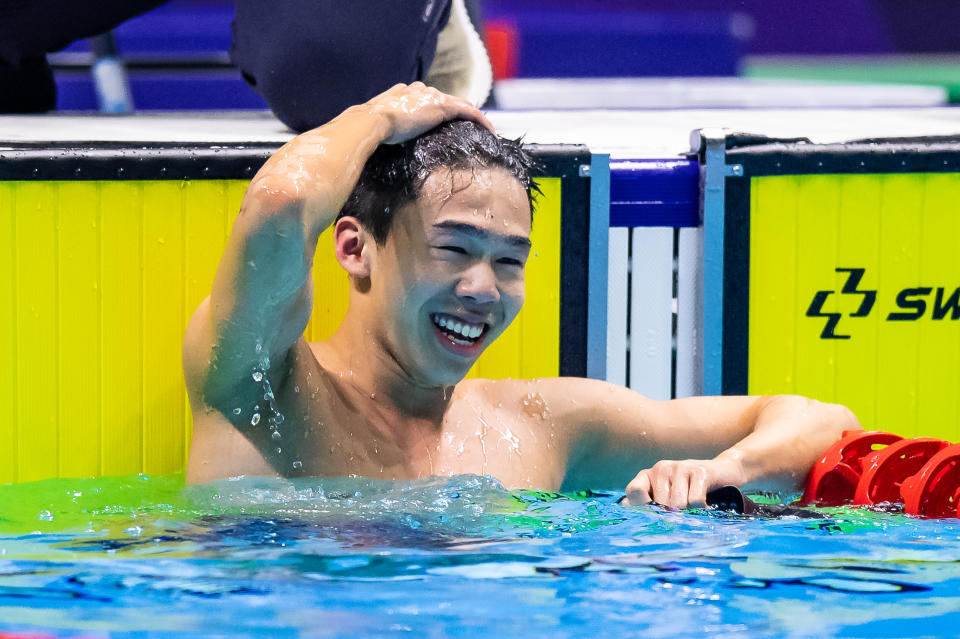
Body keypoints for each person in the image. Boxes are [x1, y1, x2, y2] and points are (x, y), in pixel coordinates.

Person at [183, 82, 860, 508]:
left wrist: (718, 472)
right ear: (355, 248)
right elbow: (282, 202)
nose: (482, 289)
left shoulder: (540, 425)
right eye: (454, 249)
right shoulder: (262, 385)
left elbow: (823, 421)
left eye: (509, 261)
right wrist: (379, 114)